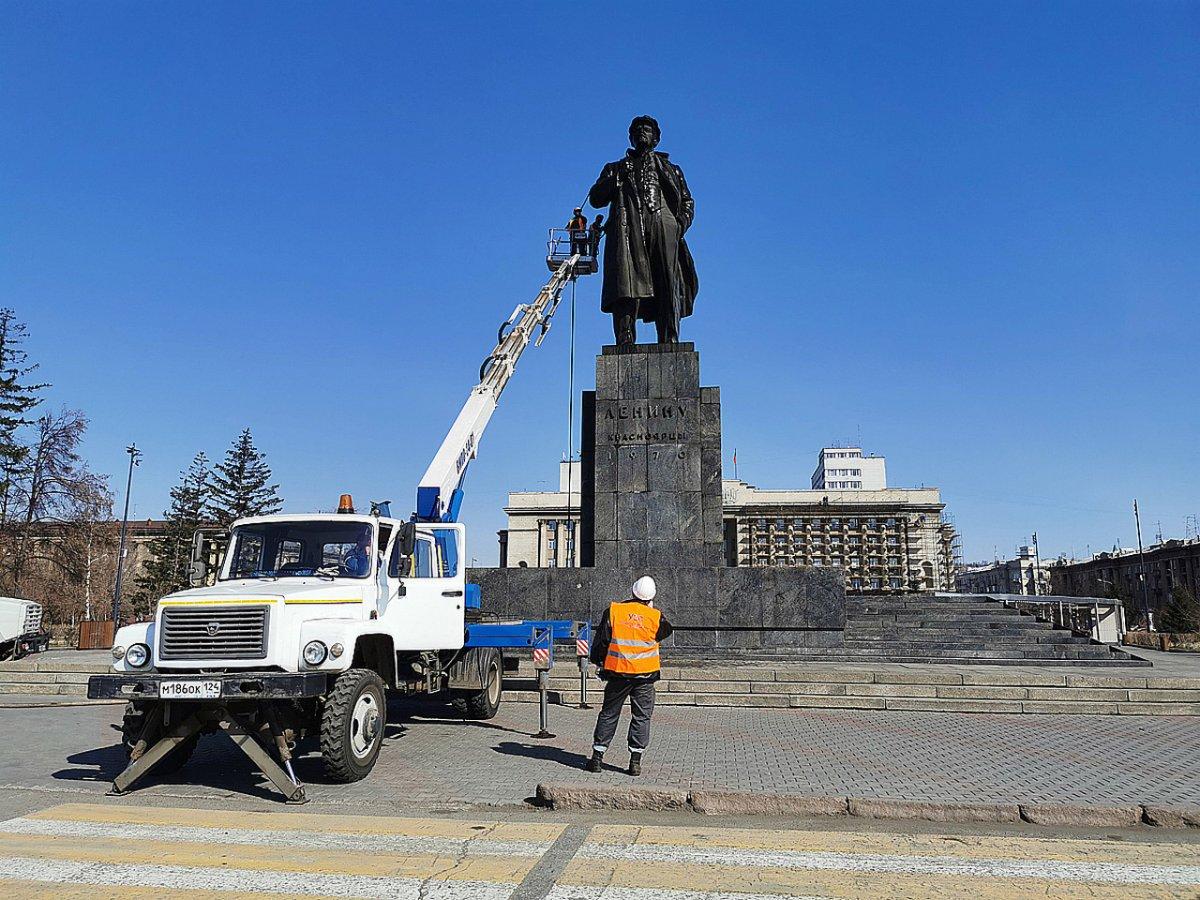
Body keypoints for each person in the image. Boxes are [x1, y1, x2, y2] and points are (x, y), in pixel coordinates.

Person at [587, 115, 697, 346]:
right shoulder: (615, 168)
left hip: (663, 226)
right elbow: (596, 198)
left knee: (666, 283)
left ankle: (669, 339)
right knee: (627, 284)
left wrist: (678, 225)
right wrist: (618, 177)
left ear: (656, 138)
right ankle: (625, 339)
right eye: (636, 130)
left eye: (646, 129)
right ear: (630, 137)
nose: (641, 133)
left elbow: (687, 201)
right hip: (628, 227)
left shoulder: (671, 169)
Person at [585, 575, 673, 776]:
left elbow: (601, 642)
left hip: (618, 673)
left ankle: (597, 759)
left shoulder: (614, 611)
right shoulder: (655, 617)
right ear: (651, 598)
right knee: (641, 717)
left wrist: (599, 662)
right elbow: (666, 630)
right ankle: (635, 763)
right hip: (645, 676)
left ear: (632, 592)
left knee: (609, 714)